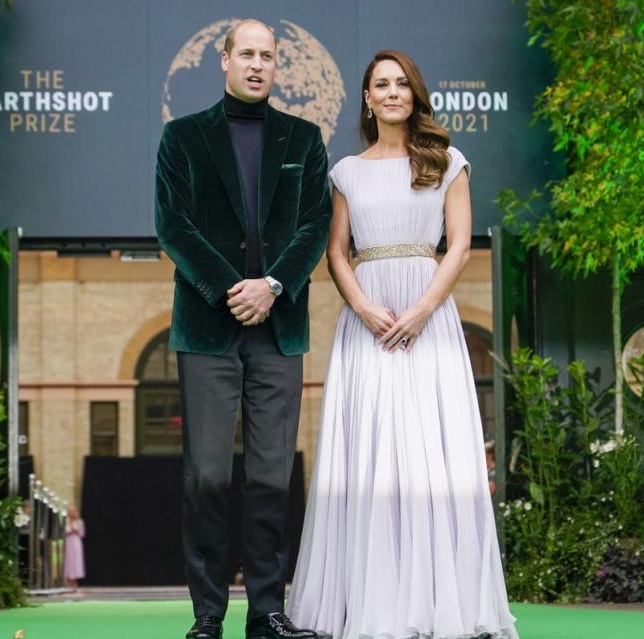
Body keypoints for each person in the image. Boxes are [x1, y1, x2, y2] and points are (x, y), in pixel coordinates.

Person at [287, 50, 518, 639]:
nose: (392, 93)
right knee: (370, 452)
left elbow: (461, 246)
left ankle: (442, 603)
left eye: (400, 84)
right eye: (380, 85)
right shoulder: (345, 172)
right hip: (366, 322)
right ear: (366, 98)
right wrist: (362, 306)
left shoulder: (447, 161)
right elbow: (336, 251)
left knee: (428, 454)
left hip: (428, 316)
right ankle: (367, 602)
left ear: (414, 94)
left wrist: (420, 311)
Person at [154, 18, 331, 639]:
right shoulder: (181, 138)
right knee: (204, 475)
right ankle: (207, 616)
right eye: (246, 54)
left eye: (269, 55)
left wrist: (272, 286)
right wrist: (235, 288)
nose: (258, 64)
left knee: (269, 476)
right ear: (223, 60)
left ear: (277, 65)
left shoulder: (305, 139)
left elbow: (314, 227)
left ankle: (267, 611)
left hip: (279, 330)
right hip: (208, 328)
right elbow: (174, 227)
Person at [64, 506, 85, 590]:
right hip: (68, 542)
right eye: (70, 511)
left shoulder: (80, 522)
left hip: (76, 542)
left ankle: (75, 583)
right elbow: (63, 533)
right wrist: (69, 531)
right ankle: (68, 582)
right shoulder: (65, 521)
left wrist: (75, 530)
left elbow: (82, 534)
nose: (71, 513)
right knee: (68, 561)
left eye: (73, 511)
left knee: (76, 561)